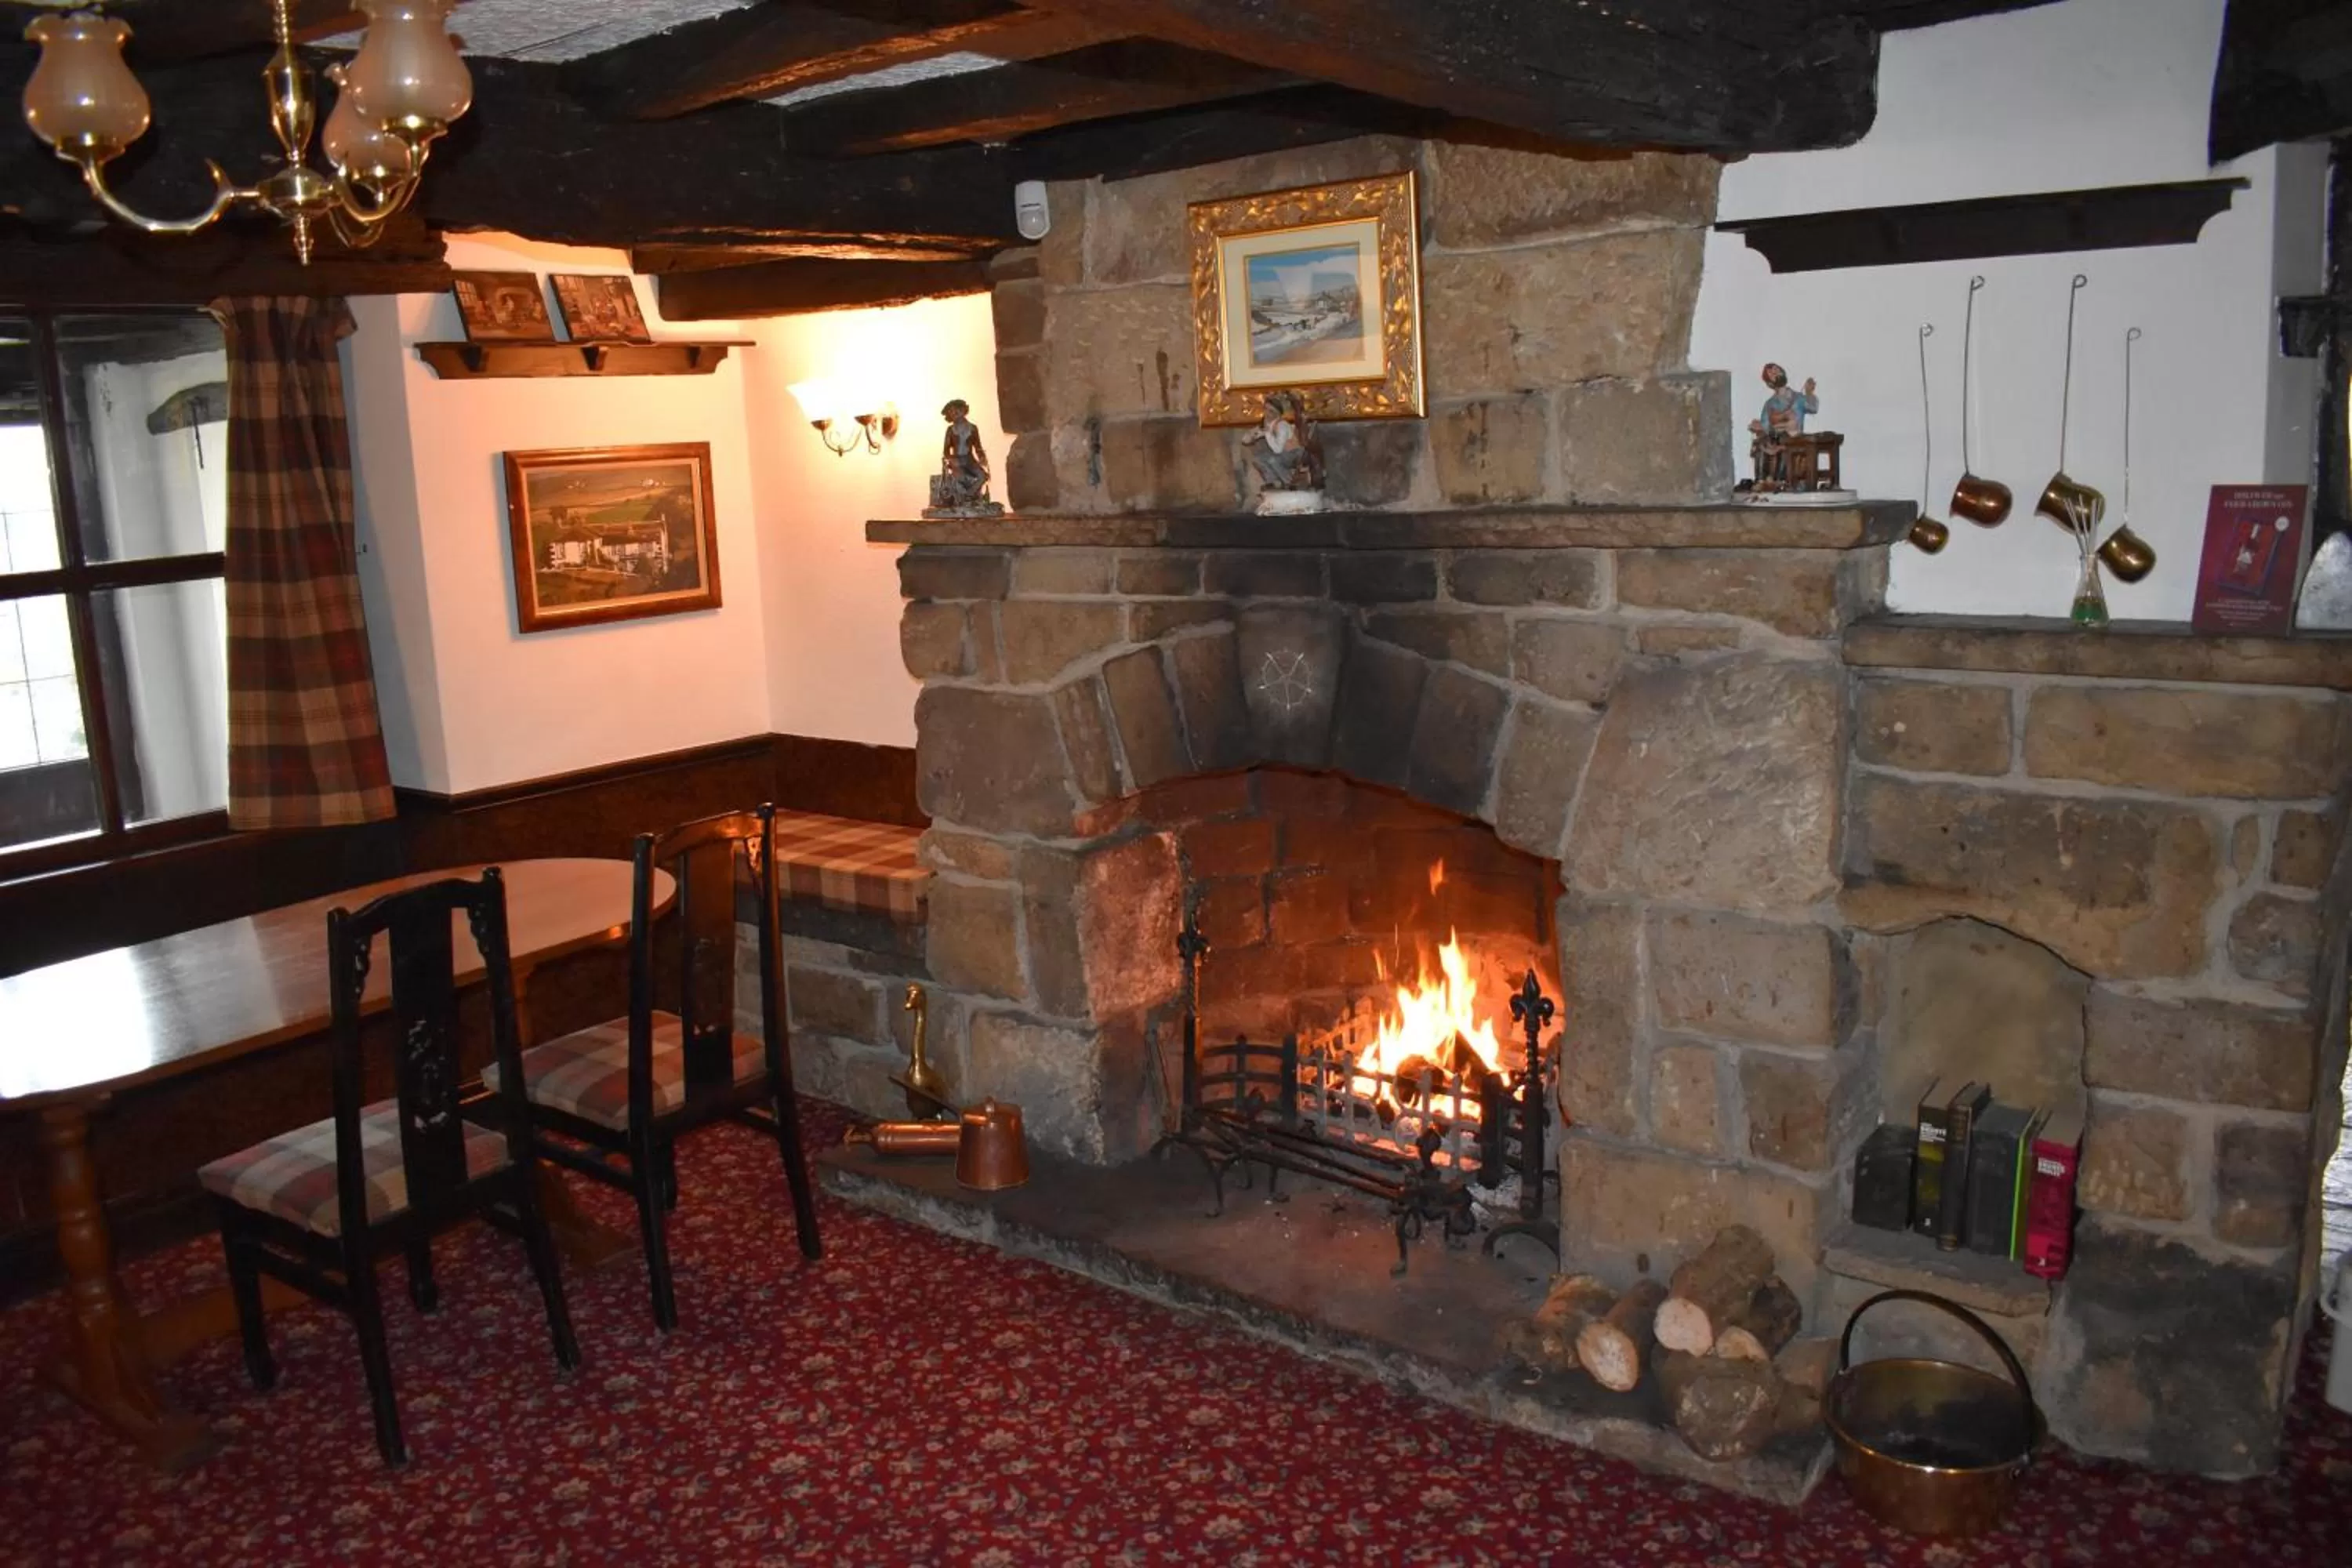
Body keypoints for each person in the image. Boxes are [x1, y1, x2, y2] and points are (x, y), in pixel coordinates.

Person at [937, 399, 991, 508]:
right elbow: (946, 450)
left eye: (957, 410)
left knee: (982, 476)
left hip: (969, 460)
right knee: (960, 478)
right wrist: (952, 460)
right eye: (951, 412)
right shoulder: (951, 430)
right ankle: (963, 499)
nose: (955, 413)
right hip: (957, 460)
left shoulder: (973, 428)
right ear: (949, 416)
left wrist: (982, 457)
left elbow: (978, 446)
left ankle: (969, 495)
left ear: (963, 410)